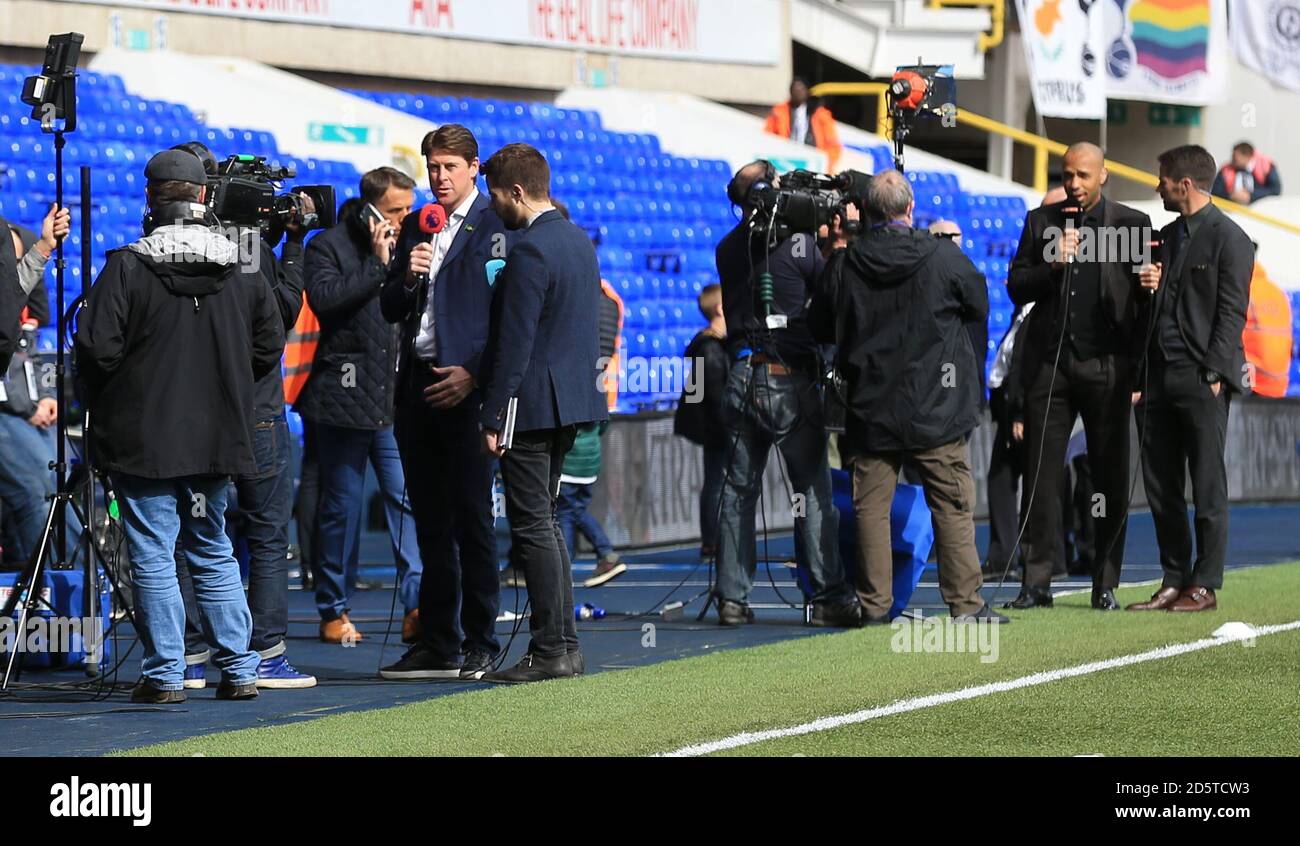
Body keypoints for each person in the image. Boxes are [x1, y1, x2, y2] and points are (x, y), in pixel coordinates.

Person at [74, 150, 283, 703]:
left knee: (153, 552)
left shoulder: (128, 264)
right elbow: (268, 347)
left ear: (151, 199)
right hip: (216, 438)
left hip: (146, 440)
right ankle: (239, 668)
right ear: (203, 197)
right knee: (212, 547)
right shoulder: (243, 264)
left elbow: (95, 348)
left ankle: (167, 673)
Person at [811, 170, 1006, 624]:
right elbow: (978, 304)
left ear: (866, 214)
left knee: (871, 512)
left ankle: (875, 605)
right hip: (936, 407)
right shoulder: (942, 257)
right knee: (952, 506)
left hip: (871, 408)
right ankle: (966, 605)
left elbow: (821, 326)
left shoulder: (846, 263)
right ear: (910, 209)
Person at [165, 141, 316, 691]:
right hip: (255, 412)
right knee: (267, 534)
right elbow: (278, 321)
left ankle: (188, 653)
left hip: (193, 412)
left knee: (191, 533)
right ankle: (266, 654)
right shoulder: (248, 245)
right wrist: (293, 246)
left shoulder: (162, 245)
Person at [377, 126, 515, 681]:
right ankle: (438, 640)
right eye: (433, 167)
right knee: (429, 522)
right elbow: (389, 306)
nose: (439, 177)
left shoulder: (497, 225)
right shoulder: (416, 224)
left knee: (473, 522)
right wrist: (408, 277)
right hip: (417, 388)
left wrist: (474, 375)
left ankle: (482, 638)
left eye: (450, 167)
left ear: (474, 168)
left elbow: (511, 317)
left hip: (467, 391)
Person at [476, 143, 607, 684]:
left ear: (517, 192)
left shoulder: (529, 250)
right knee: (547, 524)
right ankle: (564, 645)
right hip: (570, 399)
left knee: (532, 525)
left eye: (497, 198)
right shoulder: (578, 241)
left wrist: (491, 414)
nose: (496, 209)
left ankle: (550, 647)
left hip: (530, 404)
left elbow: (515, 342)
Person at [712, 161, 860, 628]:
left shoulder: (728, 248)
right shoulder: (799, 245)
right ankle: (828, 593)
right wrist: (833, 246)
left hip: (740, 377)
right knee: (812, 491)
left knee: (738, 493)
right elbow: (830, 298)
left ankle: (732, 599)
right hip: (789, 378)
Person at [1005, 142, 1152, 612]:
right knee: (1040, 477)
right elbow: (1015, 287)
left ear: (1103, 175)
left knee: (1108, 477)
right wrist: (1053, 266)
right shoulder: (1042, 223)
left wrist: (1152, 288)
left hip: (1108, 366)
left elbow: (1144, 300)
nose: (1074, 184)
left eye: (1083, 176)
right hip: (1051, 366)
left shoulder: (1131, 225)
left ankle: (1103, 582)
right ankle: (1036, 582)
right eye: (1068, 175)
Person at [299, 167, 423, 645]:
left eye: (409, 208)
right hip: (341, 401)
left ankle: (416, 606)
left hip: (394, 402)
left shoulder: (413, 244)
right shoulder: (327, 246)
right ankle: (333, 608)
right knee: (340, 510)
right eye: (396, 210)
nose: (404, 218)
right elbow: (325, 301)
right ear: (371, 208)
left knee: (406, 502)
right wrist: (376, 262)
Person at [1129, 145, 1254, 612]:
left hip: (1201, 378)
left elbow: (1231, 312)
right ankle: (1173, 577)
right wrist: (1147, 289)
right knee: (1160, 484)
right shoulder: (1166, 236)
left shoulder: (1231, 238)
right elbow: (1155, 307)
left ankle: (1205, 582)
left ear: (1183, 185)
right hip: (1158, 376)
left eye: (1161, 179)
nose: (1156, 186)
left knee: (1206, 483)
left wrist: (1214, 373)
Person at [674, 284, 729, 559]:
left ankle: (713, 538)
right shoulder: (710, 349)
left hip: (712, 424)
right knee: (717, 483)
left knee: (715, 481)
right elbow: (711, 394)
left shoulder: (708, 346)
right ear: (720, 309)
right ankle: (714, 539)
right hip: (716, 425)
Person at [763, 77, 843, 171]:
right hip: (785, 162)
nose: (798, 93)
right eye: (795, 89)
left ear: (807, 92)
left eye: (801, 89)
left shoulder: (821, 115)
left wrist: (823, 164)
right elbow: (767, 137)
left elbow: (833, 145)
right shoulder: (779, 112)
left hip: (812, 164)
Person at [1211, 142, 1281, 205]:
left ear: (1247, 156)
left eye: (1235, 158)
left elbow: (1275, 190)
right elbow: (1215, 192)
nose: (1232, 161)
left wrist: (1251, 196)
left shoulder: (1266, 166)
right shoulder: (1226, 170)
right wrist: (1231, 195)